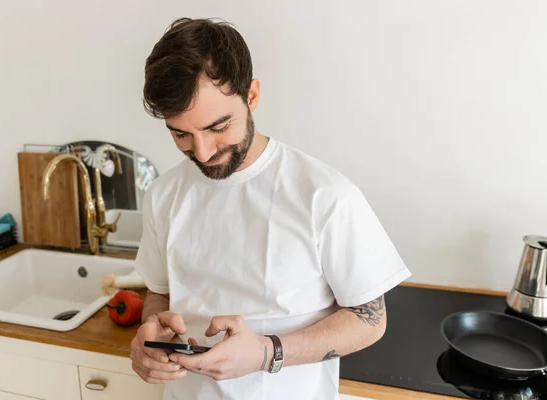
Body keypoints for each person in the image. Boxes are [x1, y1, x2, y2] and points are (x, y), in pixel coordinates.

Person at [130, 17, 411, 400]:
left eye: (218, 127)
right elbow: (159, 294)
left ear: (252, 96)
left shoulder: (324, 195)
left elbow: (370, 320)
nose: (203, 152)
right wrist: (150, 335)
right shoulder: (164, 195)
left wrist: (267, 352)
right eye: (181, 134)